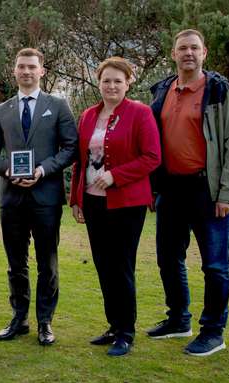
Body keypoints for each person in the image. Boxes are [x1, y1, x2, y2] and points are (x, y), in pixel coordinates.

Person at [146, 29, 229, 356]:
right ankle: (178, 320)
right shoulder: (162, 90)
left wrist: (228, 194)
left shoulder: (220, 91)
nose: (188, 53)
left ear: (205, 53)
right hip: (171, 188)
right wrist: (151, 186)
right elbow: (150, 144)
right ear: (173, 54)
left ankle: (214, 331)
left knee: (215, 265)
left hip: (207, 188)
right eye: (182, 48)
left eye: (194, 48)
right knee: (167, 259)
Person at [0, 48, 77, 346]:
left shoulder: (58, 106)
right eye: (21, 67)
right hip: (11, 198)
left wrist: (43, 170)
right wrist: (8, 170)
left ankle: (45, 322)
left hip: (45, 196)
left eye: (31, 67)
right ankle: (19, 318)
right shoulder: (2, 110)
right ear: (14, 71)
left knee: (47, 263)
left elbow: (71, 148)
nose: (26, 71)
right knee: (16, 263)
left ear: (42, 71)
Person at [69, 57, 161, 356]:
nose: (111, 86)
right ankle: (113, 325)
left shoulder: (140, 113)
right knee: (103, 265)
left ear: (128, 82)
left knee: (121, 266)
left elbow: (152, 157)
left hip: (127, 203)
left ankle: (126, 331)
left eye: (117, 81)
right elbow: (80, 162)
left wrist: (115, 175)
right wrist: (76, 198)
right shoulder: (88, 116)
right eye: (106, 80)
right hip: (94, 203)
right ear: (99, 82)